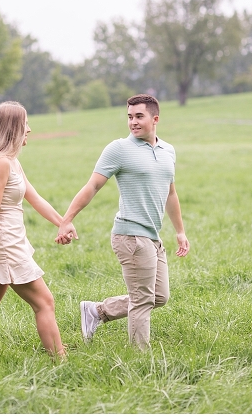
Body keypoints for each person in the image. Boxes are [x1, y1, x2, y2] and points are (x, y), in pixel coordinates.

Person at [56, 94, 189, 349]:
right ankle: (140, 362)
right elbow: (92, 186)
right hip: (130, 236)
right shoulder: (119, 149)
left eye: (139, 116)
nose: (133, 122)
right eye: (129, 117)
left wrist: (180, 231)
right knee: (142, 301)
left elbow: (170, 193)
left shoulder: (168, 151)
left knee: (159, 296)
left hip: (153, 236)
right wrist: (66, 220)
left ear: (155, 118)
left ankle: (97, 311)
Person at [0, 101, 66, 359]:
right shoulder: (1, 164)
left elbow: (35, 198)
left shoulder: (11, 162)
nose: (29, 129)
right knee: (44, 302)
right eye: (25, 123)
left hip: (8, 241)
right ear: (13, 128)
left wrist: (63, 222)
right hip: (3, 244)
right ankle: (60, 361)